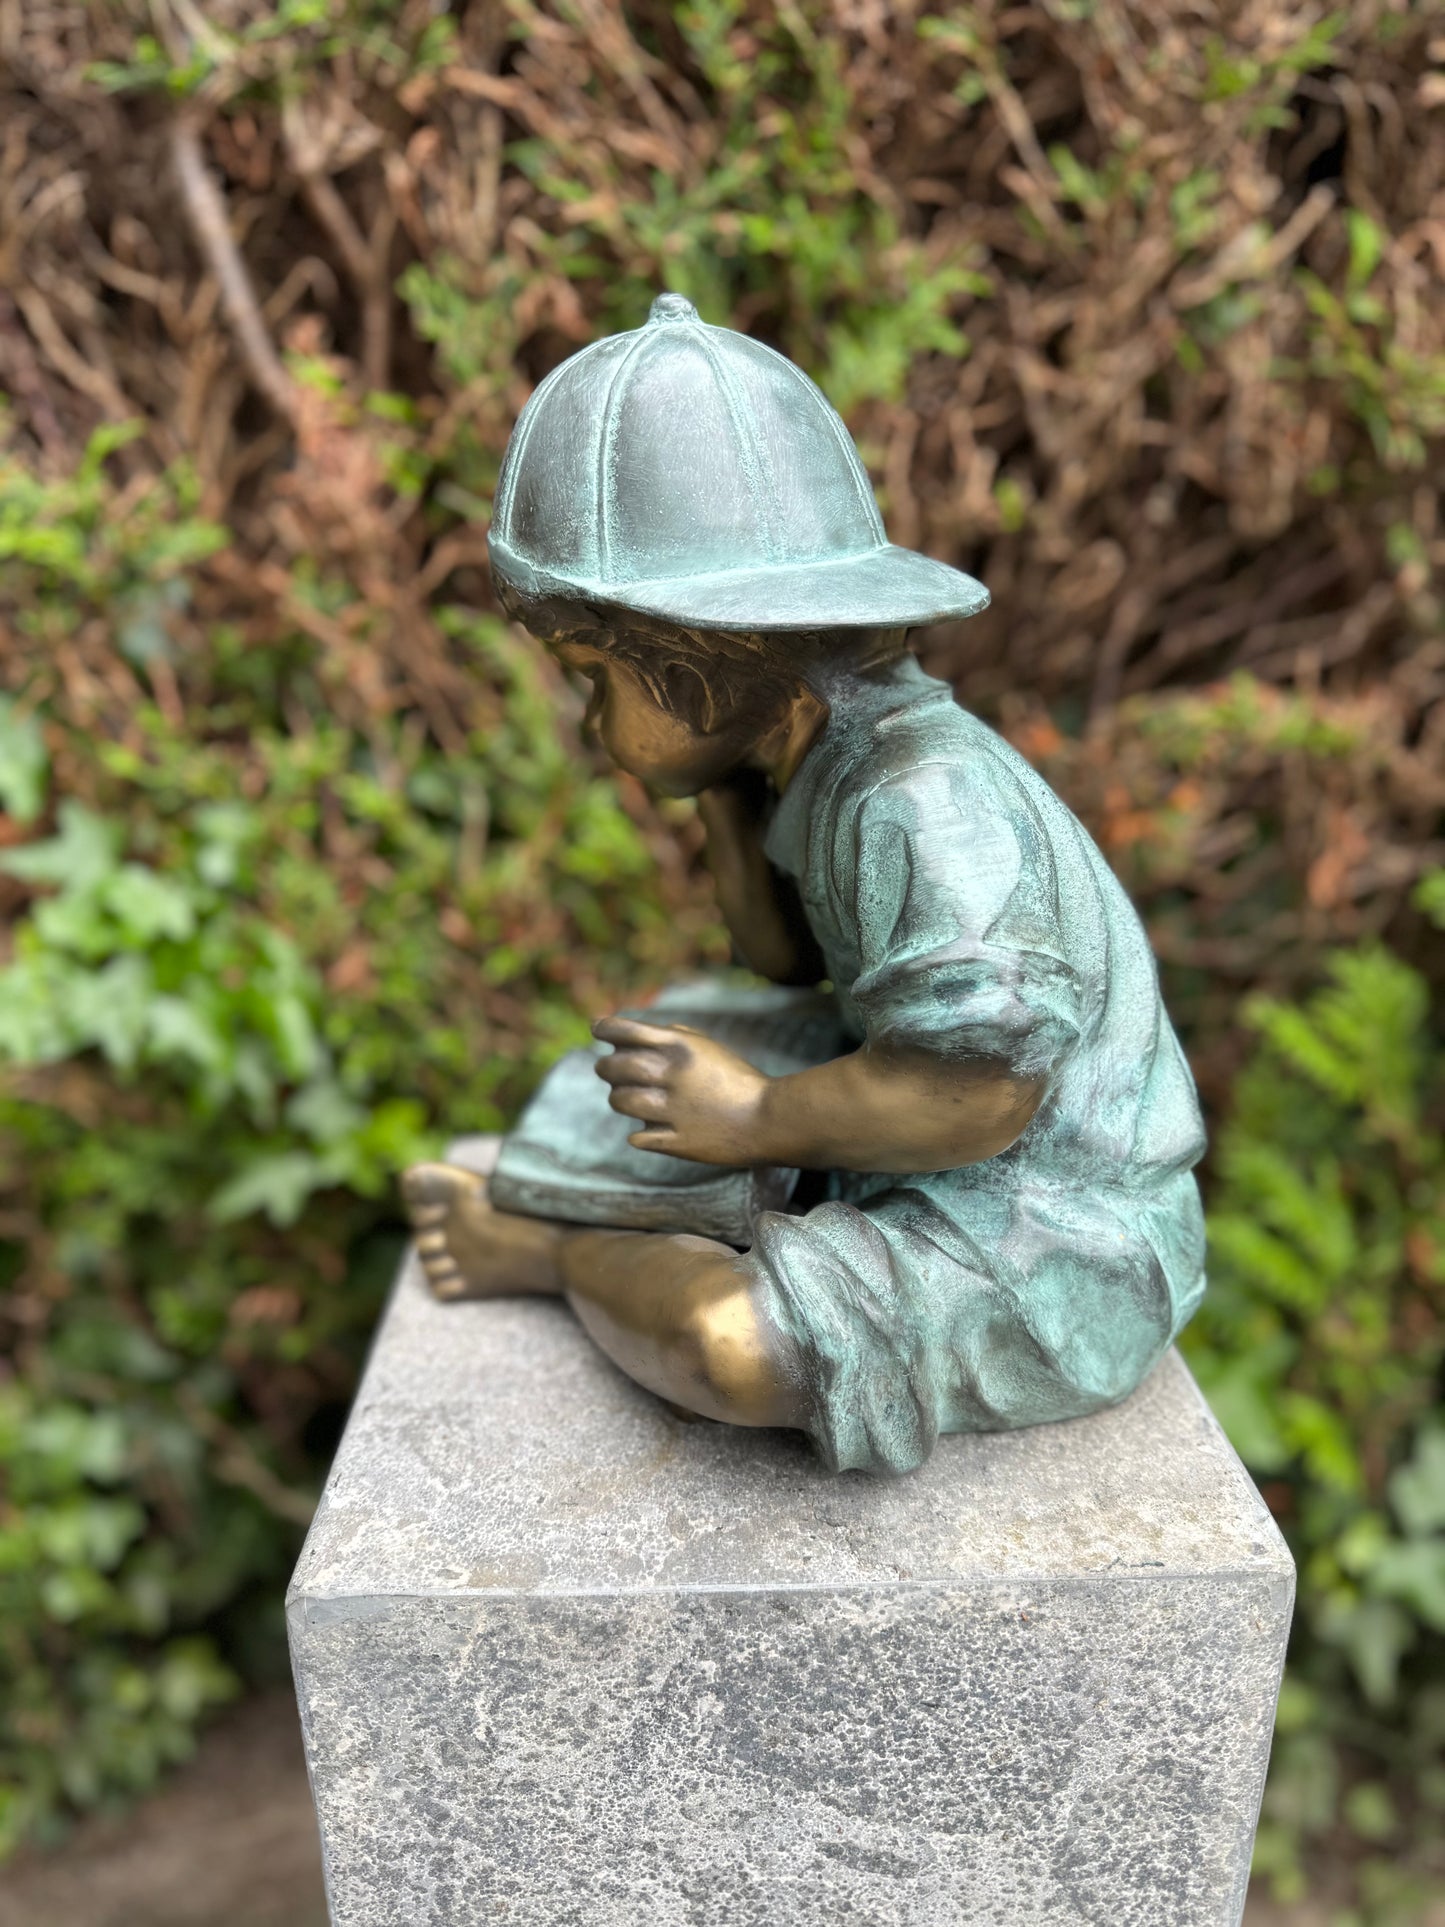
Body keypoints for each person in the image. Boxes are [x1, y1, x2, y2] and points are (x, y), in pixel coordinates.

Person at [404, 295, 1206, 1476]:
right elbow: (780, 960)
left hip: (1048, 1233)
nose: (587, 723)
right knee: (659, 1054)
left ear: (694, 658)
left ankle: (549, 1249)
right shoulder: (810, 755)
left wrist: (756, 1120)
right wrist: (715, 780)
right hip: (922, 1158)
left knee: (726, 1343)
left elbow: (983, 1092)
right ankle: (665, 1203)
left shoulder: (917, 800)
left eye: (593, 678)